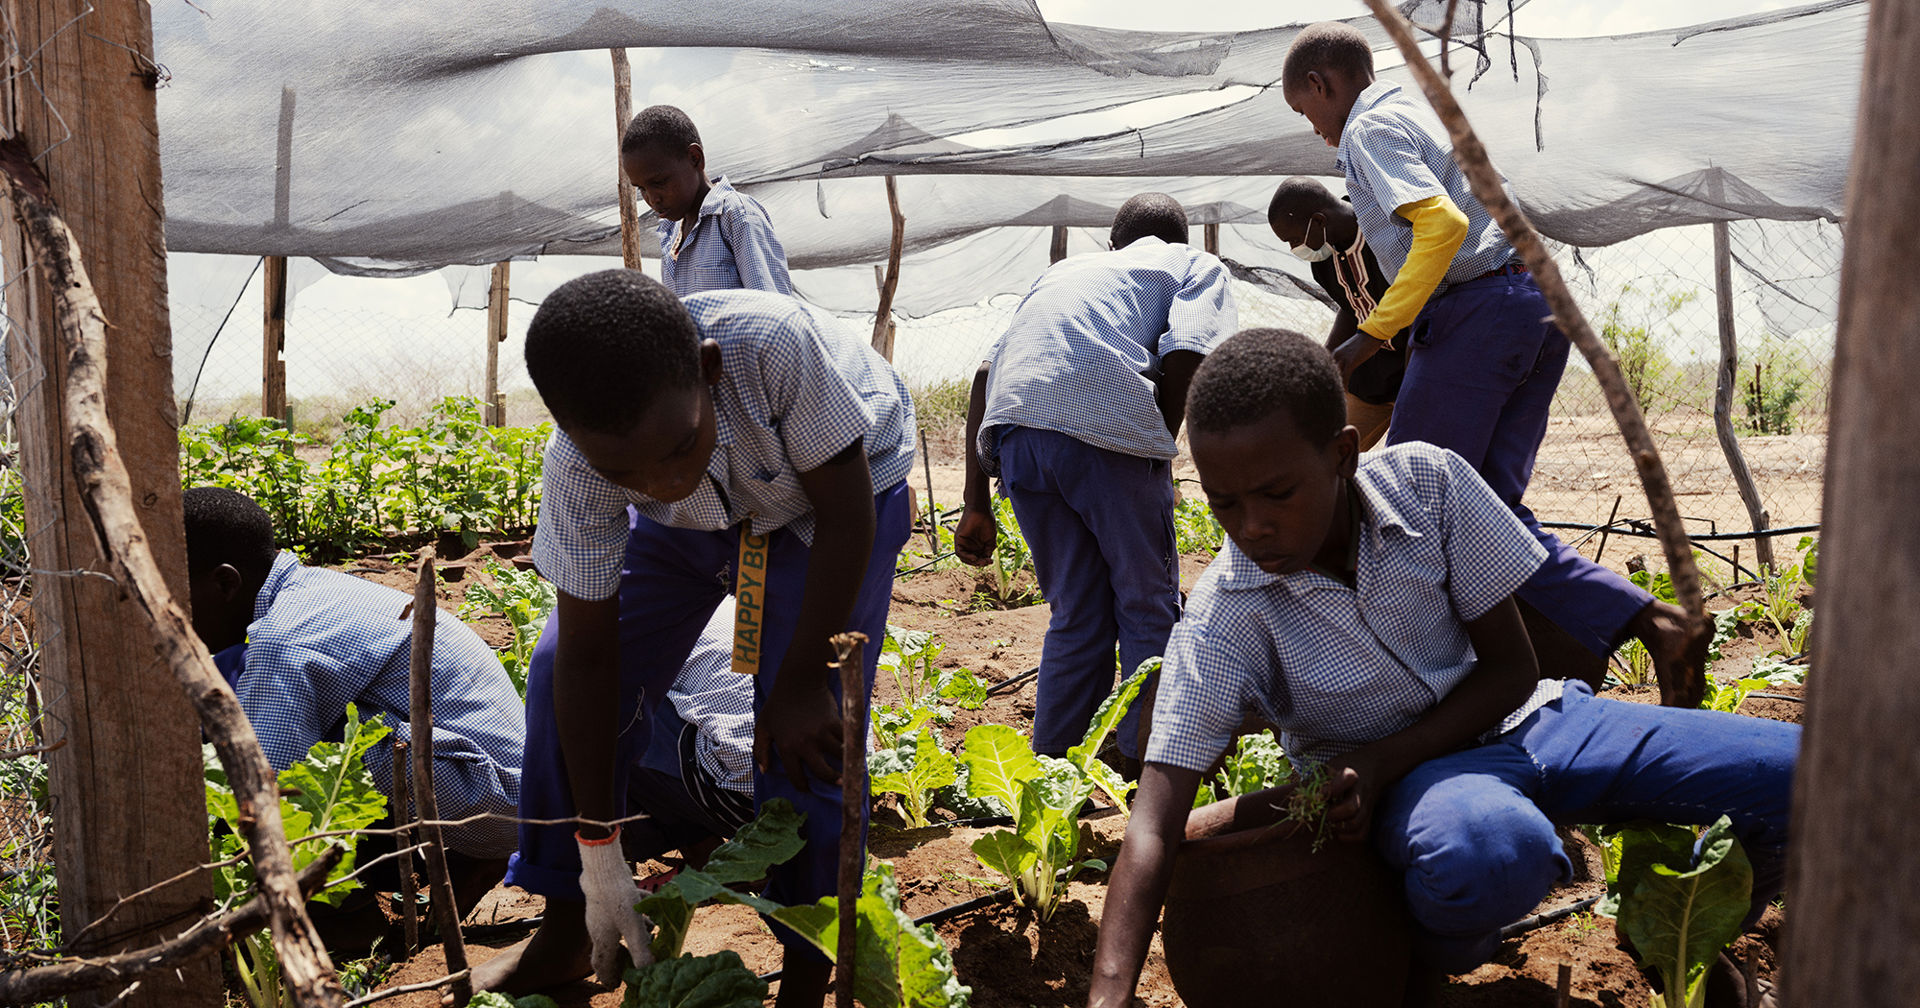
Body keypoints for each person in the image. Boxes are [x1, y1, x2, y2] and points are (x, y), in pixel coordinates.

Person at [1085, 329, 1798, 1006]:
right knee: (1488, 855)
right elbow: (1152, 826)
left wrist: (1383, 757)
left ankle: (1672, 938)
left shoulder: (1429, 484)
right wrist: (1107, 995)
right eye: (1224, 503)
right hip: (1423, 793)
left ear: (1342, 454)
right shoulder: (1226, 617)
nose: (1251, 527)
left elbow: (1513, 669)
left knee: (1809, 777)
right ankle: (1423, 956)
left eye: (1277, 494)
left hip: (1536, 720)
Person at [475, 270, 914, 1006]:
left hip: (834, 504)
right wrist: (598, 852)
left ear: (708, 371)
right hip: (695, 531)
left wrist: (803, 680)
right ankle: (568, 928)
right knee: (555, 675)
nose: (663, 477)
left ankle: (808, 965)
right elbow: (587, 652)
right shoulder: (582, 466)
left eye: (680, 446)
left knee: (808, 736)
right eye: (629, 471)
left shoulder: (775, 349)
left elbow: (845, 516)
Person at [1279, 22, 1706, 705]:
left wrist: (1373, 335)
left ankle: (1432, 686)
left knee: (1413, 501)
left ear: (1323, 85)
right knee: (1489, 513)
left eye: (1308, 112)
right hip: (1535, 302)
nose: (1317, 130)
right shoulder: (1414, 110)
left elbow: (1442, 227)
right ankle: (1650, 623)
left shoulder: (1368, 130)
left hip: (1477, 310)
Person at [954, 192, 1237, 762]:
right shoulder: (1193, 264)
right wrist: (1154, 443)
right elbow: (1188, 354)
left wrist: (975, 501)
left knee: (1077, 610)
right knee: (1145, 603)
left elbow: (986, 373)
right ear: (1178, 239)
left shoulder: (1065, 271)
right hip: (1107, 432)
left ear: (1113, 242)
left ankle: (1053, 768)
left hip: (1019, 437)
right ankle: (1145, 760)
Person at [182, 486, 525, 913]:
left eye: (174, 596)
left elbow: (263, 784)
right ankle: (465, 864)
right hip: (507, 784)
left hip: (499, 803)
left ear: (224, 583)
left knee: (311, 764)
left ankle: (347, 916)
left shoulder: (283, 637)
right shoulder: (308, 590)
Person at [1267, 175, 1407, 450]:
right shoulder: (1324, 257)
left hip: (1418, 362)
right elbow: (1351, 305)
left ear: (1319, 221)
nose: (1295, 248)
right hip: (1371, 370)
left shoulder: (1385, 234)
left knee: (1410, 454)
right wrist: (1328, 356)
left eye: (1294, 239)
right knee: (1328, 453)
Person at [621, 104, 793, 298]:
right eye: (641, 189)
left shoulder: (736, 215)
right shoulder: (670, 234)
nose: (652, 199)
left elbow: (775, 309)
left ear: (695, 158)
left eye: (660, 182)